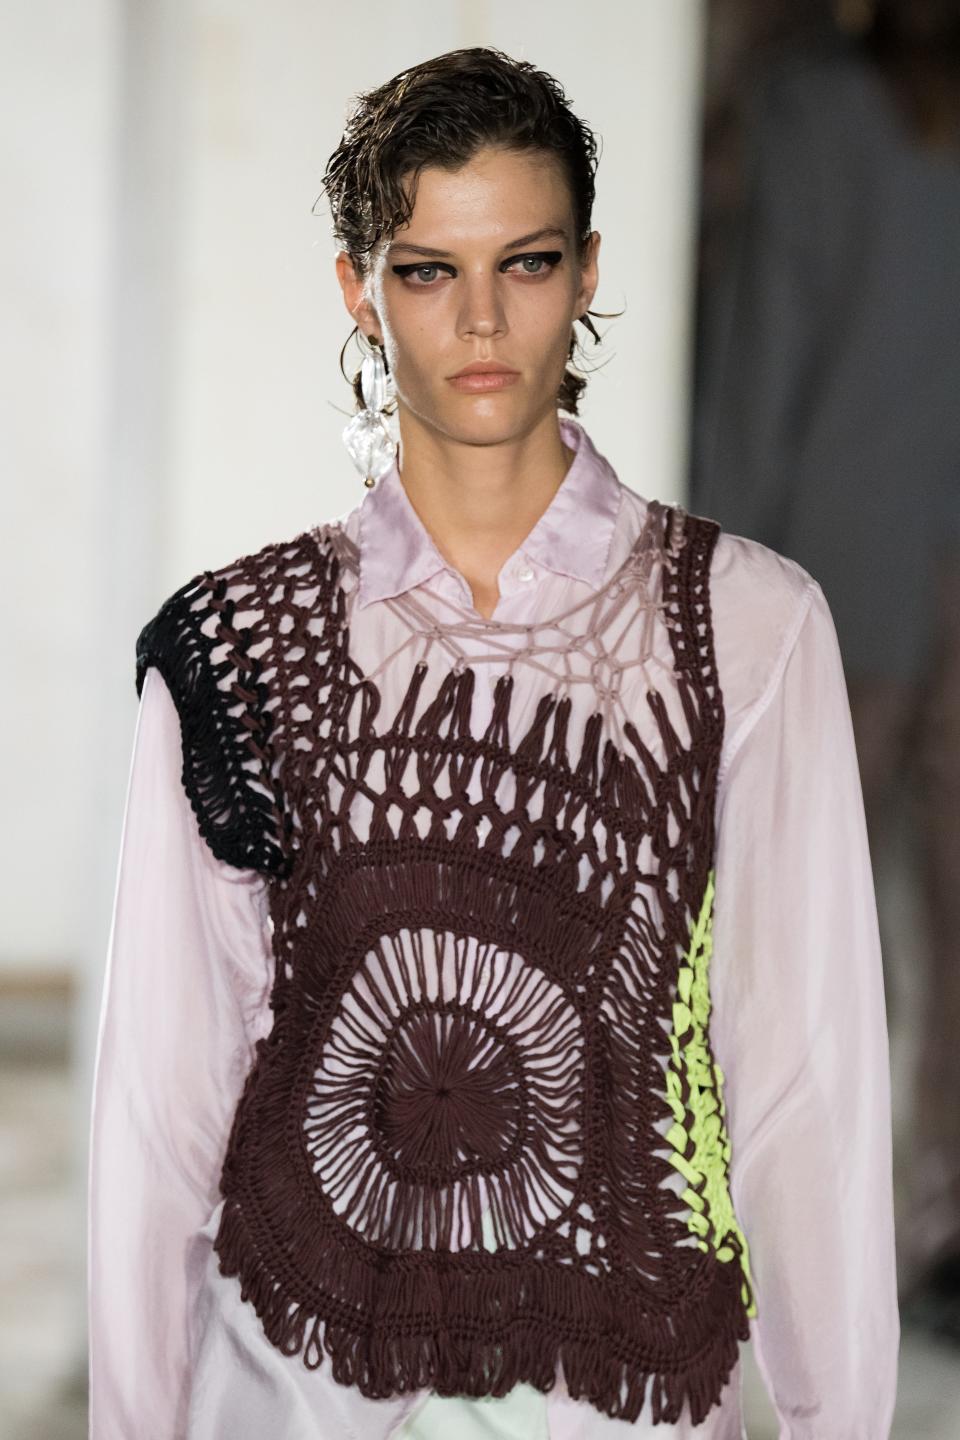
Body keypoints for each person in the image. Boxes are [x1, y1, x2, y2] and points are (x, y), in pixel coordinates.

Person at [87, 46, 899, 1440]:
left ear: (587, 273)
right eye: (425, 270)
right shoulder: (236, 646)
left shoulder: (753, 628)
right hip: (292, 1391)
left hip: (614, 1395)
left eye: (522, 264)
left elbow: (801, 1083)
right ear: (359, 288)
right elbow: (163, 1108)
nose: (478, 320)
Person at [690, 0, 960, 1336]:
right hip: (852, 579)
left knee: (797, 916)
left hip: (848, 568)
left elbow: (759, 372)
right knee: (806, 919)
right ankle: (859, 1227)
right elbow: (764, 366)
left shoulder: (811, 112)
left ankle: (793, 1227)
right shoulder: (815, 115)